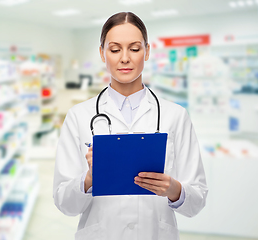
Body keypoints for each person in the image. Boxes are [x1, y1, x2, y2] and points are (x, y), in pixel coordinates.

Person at [53, 12, 208, 240]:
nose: (124, 58)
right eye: (115, 49)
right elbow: (64, 203)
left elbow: (197, 201)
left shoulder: (176, 116)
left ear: (147, 51)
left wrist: (173, 189)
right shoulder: (79, 116)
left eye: (134, 49)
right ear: (102, 53)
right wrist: (89, 179)